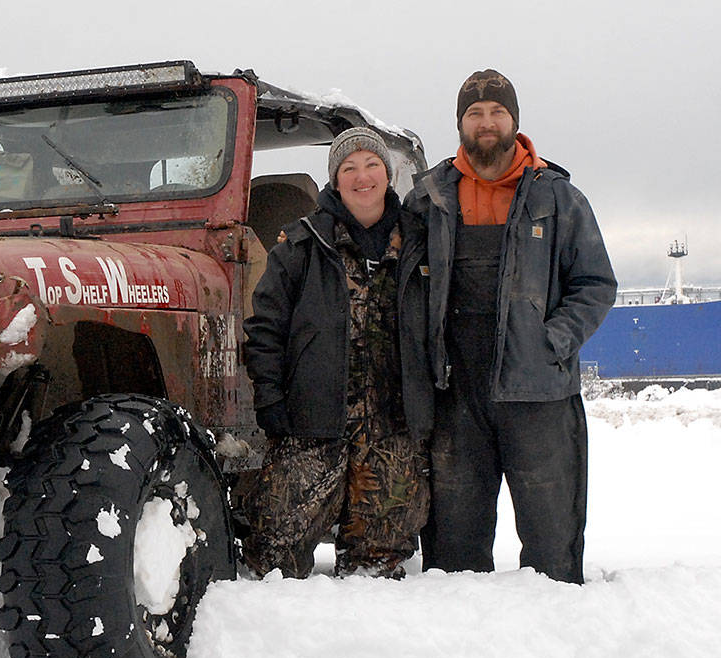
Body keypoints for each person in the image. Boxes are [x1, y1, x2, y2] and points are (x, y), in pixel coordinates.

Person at [405, 70, 616, 584]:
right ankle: (465, 652)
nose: (486, 122)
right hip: (456, 394)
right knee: (453, 551)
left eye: (497, 112)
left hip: (538, 392)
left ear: (514, 120)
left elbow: (595, 284)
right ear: (460, 123)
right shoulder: (428, 199)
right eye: (474, 113)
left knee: (552, 550)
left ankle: (556, 651)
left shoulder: (559, 199)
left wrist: (553, 341)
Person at [242, 127, 431, 579]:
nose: (361, 176)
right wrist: (270, 399)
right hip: (311, 425)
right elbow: (265, 329)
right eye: (349, 168)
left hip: (393, 429)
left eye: (371, 165)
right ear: (334, 180)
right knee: (273, 562)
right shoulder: (302, 245)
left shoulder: (422, 243)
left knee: (379, 568)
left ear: (387, 174)